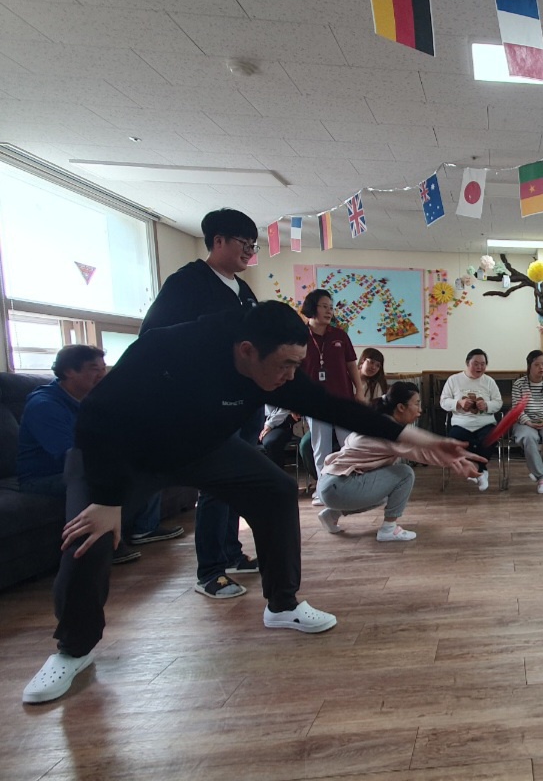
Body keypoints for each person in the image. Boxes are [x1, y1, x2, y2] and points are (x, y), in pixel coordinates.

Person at [21, 301, 473, 705]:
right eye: (286, 365)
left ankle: (282, 605)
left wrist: (419, 438)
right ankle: (73, 650)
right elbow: (97, 415)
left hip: (203, 448)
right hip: (121, 452)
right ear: (246, 350)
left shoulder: (276, 368)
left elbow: (335, 407)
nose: (290, 375)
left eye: (297, 364)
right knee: (88, 537)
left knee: (275, 490)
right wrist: (105, 499)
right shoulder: (169, 348)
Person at [140, 207, 262, 598]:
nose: (249, 252)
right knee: (215, 483)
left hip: (243, 402)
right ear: (218, 240)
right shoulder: (186, 283)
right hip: (207, 404)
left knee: (237, 482)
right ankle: (210, 571)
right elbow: (153, 337)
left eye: (253, 245)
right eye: (244, 243)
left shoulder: (243, 291)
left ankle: (231, 553)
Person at [16, 346, 180, 565]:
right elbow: (71, 456)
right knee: (99, 478)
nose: (102, 375)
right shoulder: (44, 405)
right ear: (68, 371)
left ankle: (145, 528)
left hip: (80, 464)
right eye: (94, 369)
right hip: (45, 477)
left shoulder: (93, 400)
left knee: (147, 463)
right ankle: (102, 547)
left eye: (103, 369)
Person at [316, 382, 482, 538]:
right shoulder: (388, 430)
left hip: (329, 485)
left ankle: (332, 514)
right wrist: (456, 460)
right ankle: (389, 530)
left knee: (387, 491)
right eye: (416, 404)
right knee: (404, 473)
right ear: (401, 407)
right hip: (340, 486)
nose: (420, 410)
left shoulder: (378, 421)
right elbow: (423, 453)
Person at [300, 288, 363, 503]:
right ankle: (323, 490)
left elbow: (352, 366)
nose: (329, 311)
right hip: (314, 402)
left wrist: (359, 390)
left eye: (331, 307)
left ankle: (351, 487)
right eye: (324, 306)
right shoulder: (299, 336)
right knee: (321, 449)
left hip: (342, 399)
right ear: (312, 308)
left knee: (349, 446)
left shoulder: (339, 335)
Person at [439, 348, 502, 492]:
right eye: (476, 364)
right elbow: (443, 401)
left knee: (489, 438)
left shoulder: (489, 381)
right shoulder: (454, 380)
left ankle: (477, 470)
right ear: (467, 363)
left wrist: (487, 405)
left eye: (483, 364)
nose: (479, 367)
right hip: (461, 423)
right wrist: (458, 403)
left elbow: (498, 402)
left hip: (485, 422)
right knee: (456, 440)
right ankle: (480, 471)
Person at [511, 350, 543, 495]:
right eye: (537, 365)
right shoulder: (519, 384)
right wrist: (528, 422)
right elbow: (516, 409)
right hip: (524, 422)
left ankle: (539, 473)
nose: (541, 368)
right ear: (529, 366)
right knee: (528, 437)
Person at [259, 405, 303, 471]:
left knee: (271, 442)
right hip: (255, 421)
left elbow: (285, 407)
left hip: (279, 422)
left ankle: (275, 475)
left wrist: (269, 424)